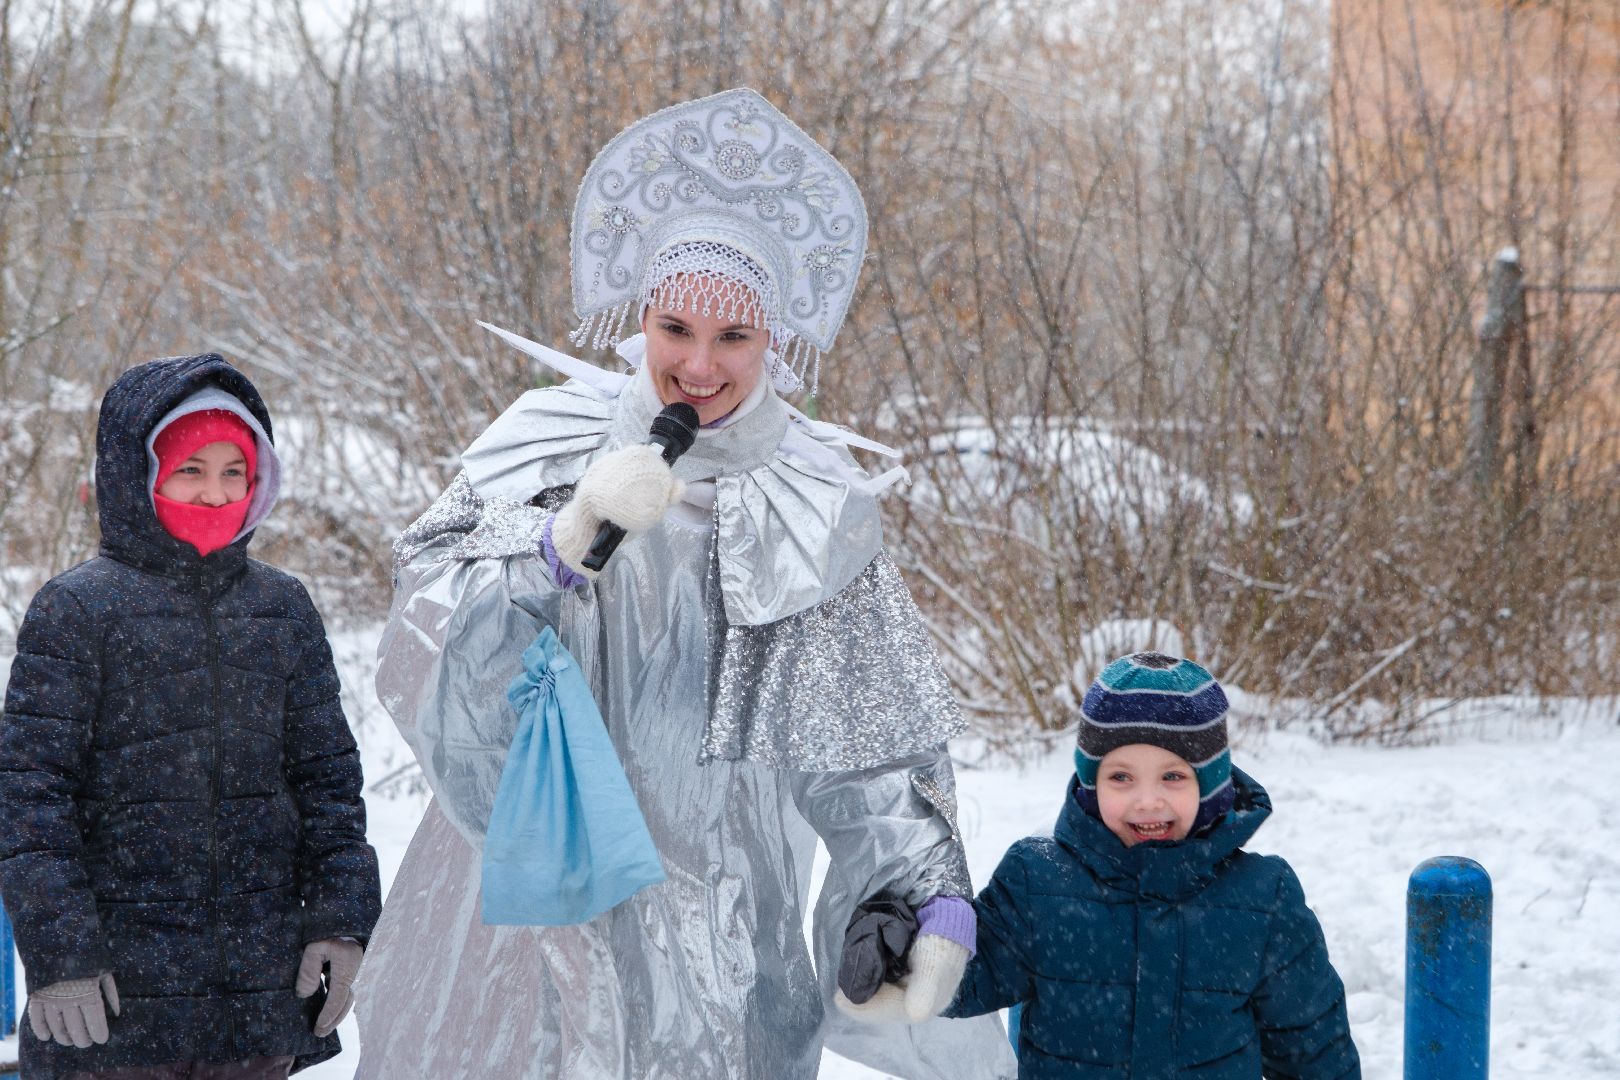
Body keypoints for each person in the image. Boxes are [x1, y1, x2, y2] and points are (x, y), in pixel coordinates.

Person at [353, 88, 1014, 1079]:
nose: (698, 364)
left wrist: (921, 892)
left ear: (775, 342)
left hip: (720, 926)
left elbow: (870, 747)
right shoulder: (542, 450)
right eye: (675, 328)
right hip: (526, 917)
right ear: (642, 318)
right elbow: (426, 664)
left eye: (734, 338)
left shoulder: (812, 506)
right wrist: (551, 548)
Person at [0, 354, 383, 1080]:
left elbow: (328, 784)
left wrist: (340, 919)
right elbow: (29, 802)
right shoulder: (76, 610)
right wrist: (62, 958)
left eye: (233, 471)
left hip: (256, 1006)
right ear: (135, 475)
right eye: (189, 470)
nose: (214, 493)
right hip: (111, 1011)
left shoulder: (282, 607)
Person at [908, 652, 1360, 1078]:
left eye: (1173, 776)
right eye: (1120, 776)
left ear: (1211, 785)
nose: (1147, 800)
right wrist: (919, 933)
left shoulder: (1263, 898)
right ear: (1091, 784)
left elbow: (1313, 1050)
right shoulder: (1038, 882)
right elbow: (961, 981)